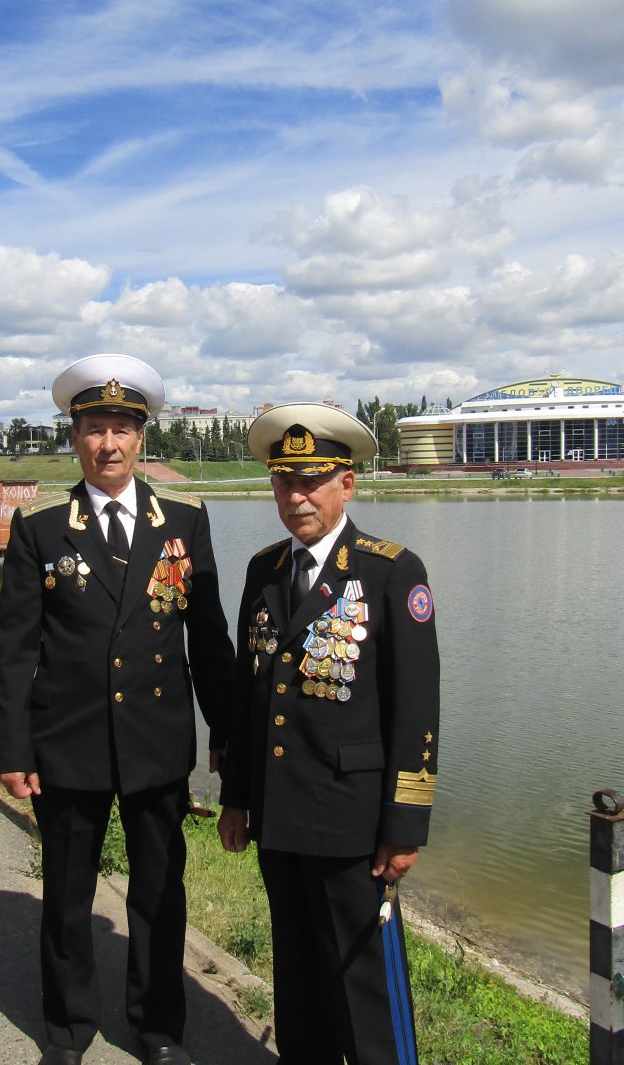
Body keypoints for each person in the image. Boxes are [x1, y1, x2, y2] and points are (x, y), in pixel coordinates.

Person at [0, 354, 234, 1065]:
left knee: (158, 894)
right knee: (67, 894)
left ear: (141, 438)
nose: (108, 444)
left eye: (121, 430)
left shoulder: (184, 519)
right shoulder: (40, 527)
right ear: (74, 438)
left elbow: (208, 637)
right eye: (94, 429)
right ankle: (67, 1030)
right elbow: (15, 649)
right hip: (67, 743)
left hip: (156, 741)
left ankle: (157, 1029)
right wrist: (13, 750)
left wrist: (226, 730)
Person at [217, 401, 440, 1065]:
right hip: (279, 816)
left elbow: (415, 707)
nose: (297, 497)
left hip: (351, 822)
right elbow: (248, 697)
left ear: (347, 483)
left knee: (364, 986)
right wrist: (236, 797)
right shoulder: (264, 570)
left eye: (311, 481)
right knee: (298, 976)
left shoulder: (390, 571)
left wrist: (404, 824)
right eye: (284, 481)